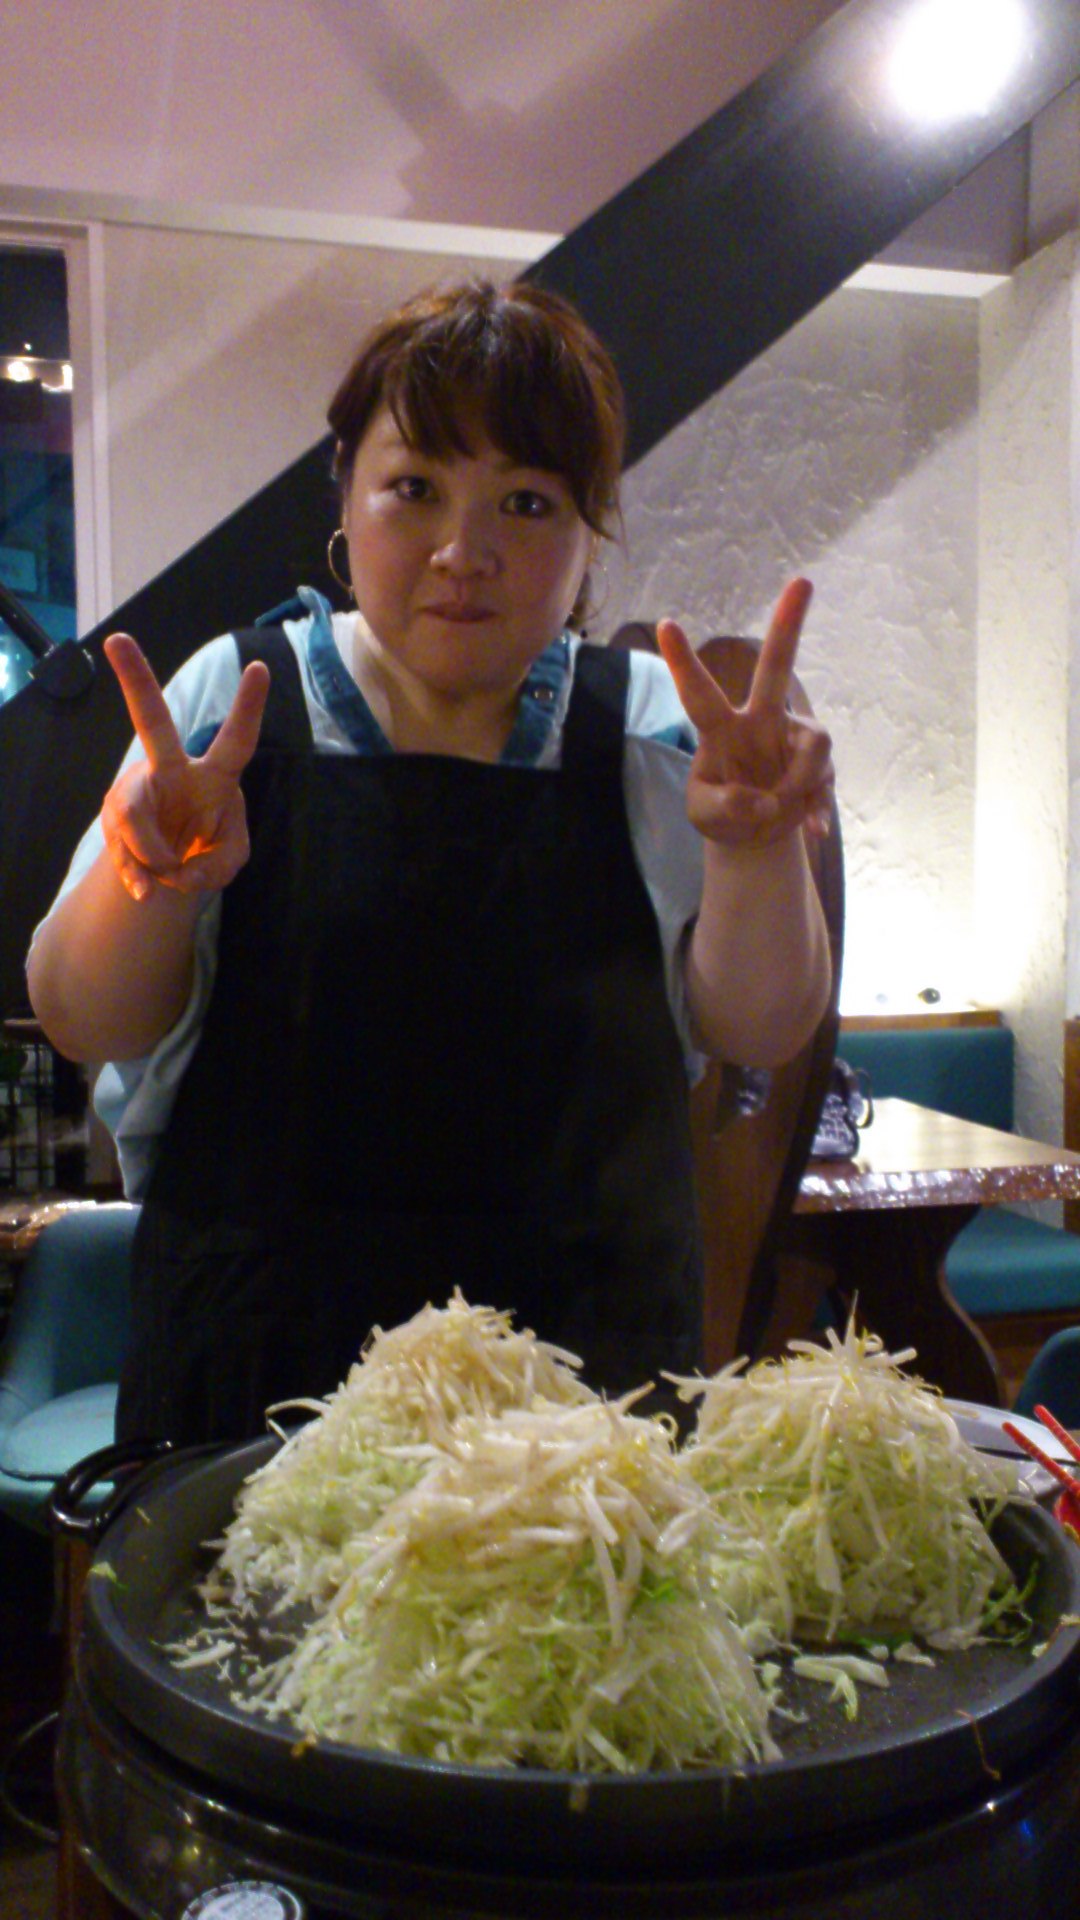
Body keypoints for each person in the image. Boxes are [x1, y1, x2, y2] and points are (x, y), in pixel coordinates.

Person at [27, 279, 833, 1447]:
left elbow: (760, 1027)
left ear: (589, 532)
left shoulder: (655, 727)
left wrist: (756, 848)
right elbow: (81, 1017)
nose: (466, 553)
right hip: (255, 1383)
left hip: (579, 1409)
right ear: (344, 492)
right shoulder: (233, 705)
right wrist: (144, 872)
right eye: (415, 489)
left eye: (526, 501)